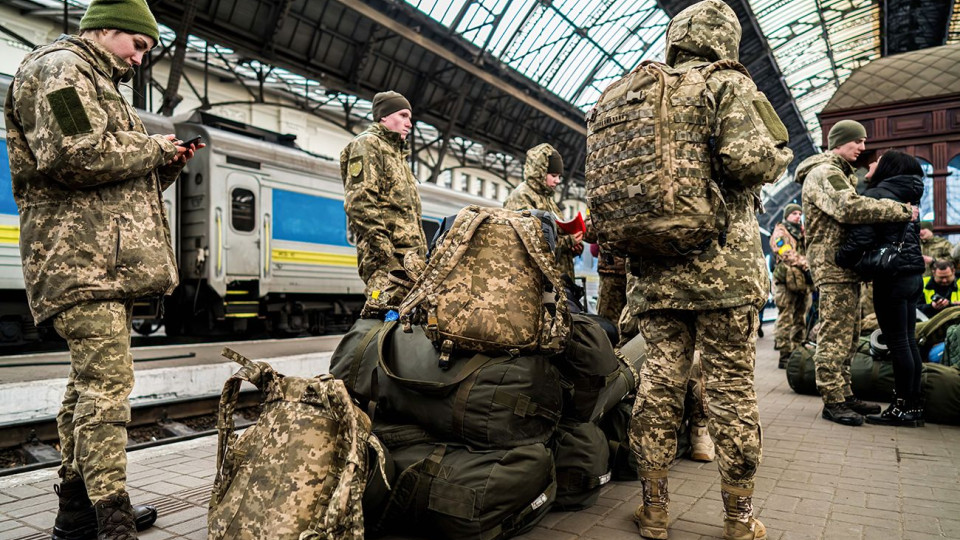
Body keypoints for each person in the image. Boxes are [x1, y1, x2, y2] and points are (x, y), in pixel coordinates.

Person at [4, 0, 199, 536]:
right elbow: (76, 154)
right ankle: (110, 517)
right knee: (108, 389)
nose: (140, 60)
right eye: (137, 45)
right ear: (106, 28)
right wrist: (152, 148)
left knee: (87, 388)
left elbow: (116, 183)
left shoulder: (101, 84)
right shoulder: (60, 71)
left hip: (103, 263)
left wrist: (165, 165)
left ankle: (75, 508)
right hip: (80, 261)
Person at [622, 2, 793, 538]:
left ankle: (653, 510)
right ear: (726, 39)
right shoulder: (728, 86)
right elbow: (747, 162)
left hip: (654, 274)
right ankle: (739, 519)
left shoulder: (635, 90)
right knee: (731, 390)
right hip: (723, 273)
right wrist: (779, 157)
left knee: (657, 385)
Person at [797, 119, 917, 427]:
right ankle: (833, 400)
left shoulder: (841, 174)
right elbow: (848, 208)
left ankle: (845, 393)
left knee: (848, 335)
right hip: (833, 266)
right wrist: (901, 211)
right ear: (838, 142)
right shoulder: (825, 173)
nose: (863, 148)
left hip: (846, 267)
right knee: (834, 335)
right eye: (857, 142)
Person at [835, 150, 925, 427]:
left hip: (892, 278)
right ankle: (912, 405)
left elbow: (864, 234)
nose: (870, 164)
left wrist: (841, 256)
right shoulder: (909, 195)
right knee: (909, 341)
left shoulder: (877, 195)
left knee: (898, 342)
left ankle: (901, 409)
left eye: (876, 161)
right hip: (912, 275)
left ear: (888, 167)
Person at [340, 91, 427, 319]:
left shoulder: (397, 156)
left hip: (408, 262)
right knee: (379, 320)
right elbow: (359, 201)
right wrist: (385, 252)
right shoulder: (368, 144)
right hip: (388, 263)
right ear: (384, 117)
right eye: (403, 115)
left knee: (403, 327)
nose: (409, 123)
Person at [504, 144, 583, 281]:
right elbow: (530, 241)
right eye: (553, 175)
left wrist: (572, 249)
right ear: (539, 172)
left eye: (559, 176)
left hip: (554, 279)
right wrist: (568, 241)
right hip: (535, 280)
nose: (557, 181)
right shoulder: (522, 196)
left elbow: (555, 237)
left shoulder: (546, 199)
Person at [770, 203, 810, 368]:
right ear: (786, 216)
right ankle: (785, 354)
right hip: (786, 281)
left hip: (802, 281)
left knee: (800, 318)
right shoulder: (781, 232)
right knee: (786, 316)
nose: (797, 216)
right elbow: (785, 252)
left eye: (799, 213)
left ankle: (797, 350)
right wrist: (806, 264)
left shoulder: (802, 233)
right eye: (793, 213)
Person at [584, 216, 627, 324]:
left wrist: (584, 223)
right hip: (641, 269)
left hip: (612, 270)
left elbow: (590, 234)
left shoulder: (605, 202)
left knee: (607, 322)